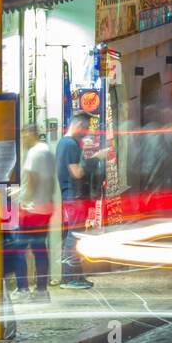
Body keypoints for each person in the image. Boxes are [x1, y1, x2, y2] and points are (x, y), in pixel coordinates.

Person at [10, 125, 57, 301]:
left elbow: (31, 182)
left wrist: (23, 201)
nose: (23, 139)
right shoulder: (47, 151)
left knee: (18, 249)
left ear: (30, 134)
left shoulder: (34, 153)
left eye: (24, 135)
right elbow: (50, 181)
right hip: (45, 208)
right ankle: (41, 291)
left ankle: (22, 290)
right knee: (39, 248)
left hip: (31, 210)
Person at [56, 113, 98, 289]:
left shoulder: (63, 143)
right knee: (74, 237)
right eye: (86, 127)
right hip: (74, 196)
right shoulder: (70, 144)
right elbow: (77, 172)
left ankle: (77, 276)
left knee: (75, 236)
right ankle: (69, 278)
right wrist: (96, 159)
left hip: (70, 196)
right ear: (78, 124)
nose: (87, 131)